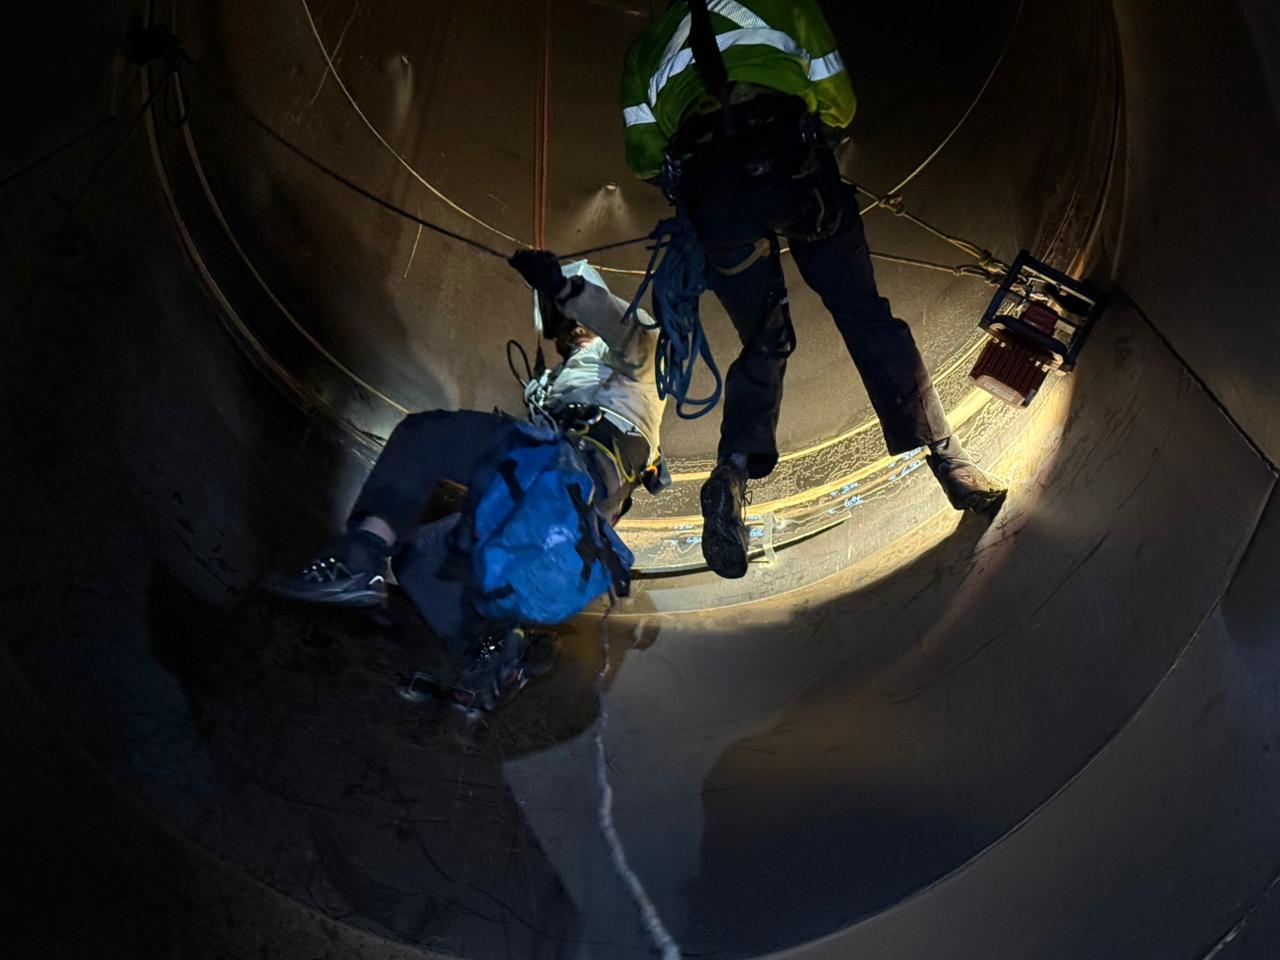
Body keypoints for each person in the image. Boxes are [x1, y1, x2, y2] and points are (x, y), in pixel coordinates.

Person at [621, 0, 1006, 579]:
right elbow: (838, 103)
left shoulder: (645, 52)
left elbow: (644, 158)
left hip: (716, 195)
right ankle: (949, 463)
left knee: (765, 341)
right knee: (864, 314)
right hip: (788, 165)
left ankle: (731, 473)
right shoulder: (783, 2)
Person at [266, 251, 667, 709]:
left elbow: (630, 332)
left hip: (569, 474)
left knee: (425, 435)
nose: (573, 326)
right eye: (562, 321)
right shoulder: (561, 381)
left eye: (579, 316)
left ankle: (360, 555)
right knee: (419, 557)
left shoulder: (638, 360)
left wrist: (562, 289)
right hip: (549, 502)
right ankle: (493, 656)